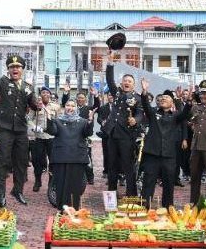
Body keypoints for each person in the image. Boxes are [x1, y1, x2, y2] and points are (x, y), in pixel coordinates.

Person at [0, 54, 37, 207]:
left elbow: (33, 104)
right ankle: (1, 194)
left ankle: (18, 190)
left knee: (22, 162)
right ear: (8, 70)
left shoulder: (28, 87)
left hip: (20, 129)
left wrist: (39, 105)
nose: (15, 69)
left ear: (22, 69)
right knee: (2, 161)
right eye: (12, 67)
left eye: (18, 67)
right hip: (5, 129)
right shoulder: (3, 82)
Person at [138, 79, 192, 208]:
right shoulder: (153, 113)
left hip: (169, 156)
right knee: (148, 183)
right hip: (152, 154)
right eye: (161, 98)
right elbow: (145, 105)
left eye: (166, 98)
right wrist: (144, 92)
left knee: (169, 184)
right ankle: (144, 208)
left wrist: (189, 101)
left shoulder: (175, 116)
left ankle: (168, 208)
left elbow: (185, 114)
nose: (163, 99)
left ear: (172, 102)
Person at [103, 53, 145, 197]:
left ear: (134, 85)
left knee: (128, 167)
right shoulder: (117, 93)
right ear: (122, 83)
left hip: (127, 136)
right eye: (125, 80)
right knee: (112, 166)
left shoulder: (138, 98)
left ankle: (131, 195)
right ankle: (111, 196)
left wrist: (136, 120)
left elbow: (140, 113)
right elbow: (109, 80)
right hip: (112, 134)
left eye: (129, 81)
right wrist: (109, 64)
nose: (127, 82)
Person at [46, 99, 93, 210]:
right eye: (68, 105)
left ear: (76, 108)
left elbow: (88, 133)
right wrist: (49, 118)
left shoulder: (82, 121)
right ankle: (61, 210)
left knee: (75, 186)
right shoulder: (57, 121)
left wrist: (90, 120)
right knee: (60, 185)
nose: (70, 108)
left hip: (77, 157)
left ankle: (74, 209)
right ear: (64, 107)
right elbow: (52, 131)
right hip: (61, 157)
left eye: (73, 105)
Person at [29, 87, 59, 193]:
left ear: (50, 95)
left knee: (53, 161)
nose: (45, 94)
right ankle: (38, 181)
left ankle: (52, 183)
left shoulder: (55, 106)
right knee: (36, 160)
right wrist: (34, 127)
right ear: (40, 94)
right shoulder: (36, 106)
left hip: (51, 138)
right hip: (39, 137)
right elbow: (29, 119)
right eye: (43, 92)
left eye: (47, 92)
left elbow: (59, 120)